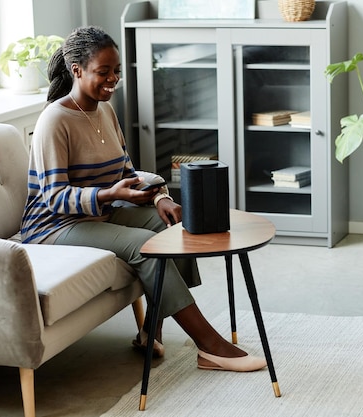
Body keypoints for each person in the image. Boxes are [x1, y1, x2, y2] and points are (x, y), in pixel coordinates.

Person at [20, 26, 266, 372]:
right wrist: (110, 194)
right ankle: (210, 346)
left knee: (175, 226)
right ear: (77, 71)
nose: (113, 79)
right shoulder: (54, 120)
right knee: (145, 245)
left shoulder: (105, 110)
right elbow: (55, 197)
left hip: (98, 214)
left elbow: (127, 171)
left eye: (116, 71)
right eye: (103, 72)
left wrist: (160, 197)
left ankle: (152, 328)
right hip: (54, 226)